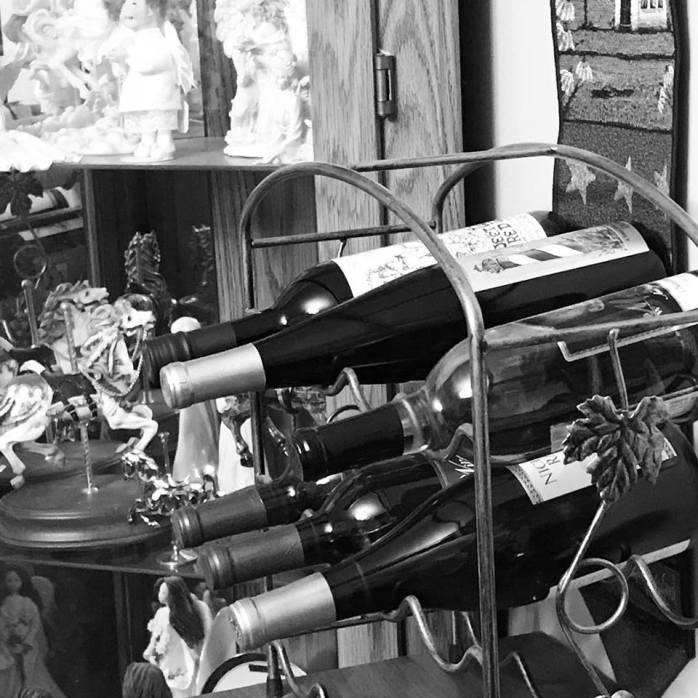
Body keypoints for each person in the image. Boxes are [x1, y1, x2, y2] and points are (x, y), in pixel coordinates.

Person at [112, 0, 194, 160]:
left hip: (158, 92)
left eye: (134, 3)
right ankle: (147, 143)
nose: (126, 8)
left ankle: (164, 143)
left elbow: (153, 63)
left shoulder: (156, 37)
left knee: (160, 121)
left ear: (151, 10)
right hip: (143, 92)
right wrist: (120, 60)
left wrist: (127, 55)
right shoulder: (134, 38)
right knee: (146, 123)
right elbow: (125, 69)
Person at [0, 566, 65, 698]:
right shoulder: (4, 604)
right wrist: (7, 637)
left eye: (16, 580)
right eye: (9, 580)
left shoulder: (27, 603)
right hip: (9, 646)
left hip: (27, 645)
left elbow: (35, 624)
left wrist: (27, 641)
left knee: (30, 673)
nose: (12, 584)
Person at [142, 576, 212, 698]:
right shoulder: (161, 613)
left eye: (163, 592)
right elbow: (156, 636)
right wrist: (152, 651)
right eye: (160, 591)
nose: (160, 595)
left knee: (184, 688)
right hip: (166, 658)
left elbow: (193, 637)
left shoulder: (184, 614)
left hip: (182, 658)